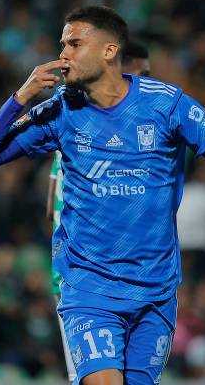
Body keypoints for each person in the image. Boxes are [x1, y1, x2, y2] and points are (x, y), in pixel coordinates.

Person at [0, 5, 205, 385]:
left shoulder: (167, 105)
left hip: (155, 291)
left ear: (108, 50)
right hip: (89, 287)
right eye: (62, 45)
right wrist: (21, 97)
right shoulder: (61, 111)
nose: (63, 55)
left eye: (73, 44)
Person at [44, 42, 152, 383]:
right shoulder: (117, 134)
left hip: (80, 268)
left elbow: (51, 207)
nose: (148, 83)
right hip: (93, 274)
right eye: (143, 75)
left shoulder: (76, 127)